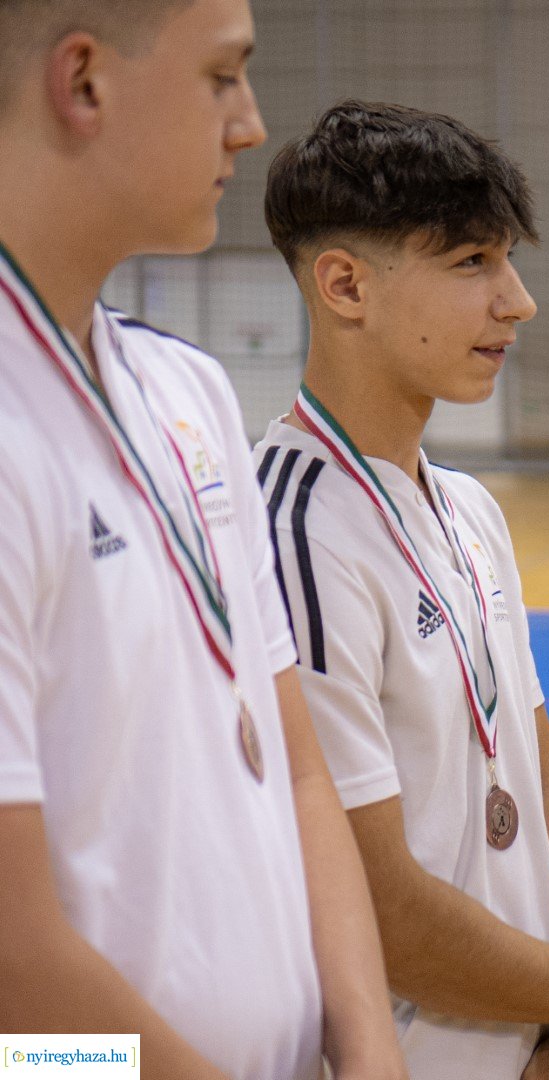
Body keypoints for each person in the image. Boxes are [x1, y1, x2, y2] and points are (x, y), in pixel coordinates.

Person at [0, 3, 404, 1078]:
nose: (249, 123)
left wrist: (368, 1047)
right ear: (83, 82)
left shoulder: (189, 391)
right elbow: (11, 970)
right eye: (224, 77)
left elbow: (295, 765)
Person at [252, 100, 549, 1080]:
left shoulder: (469, 507)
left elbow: (538, 763)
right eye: (473, 263)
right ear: (346, 286)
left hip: (529, 1040)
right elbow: (370, 899)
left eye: (508, 260)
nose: (517, 300)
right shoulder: (292, 529)